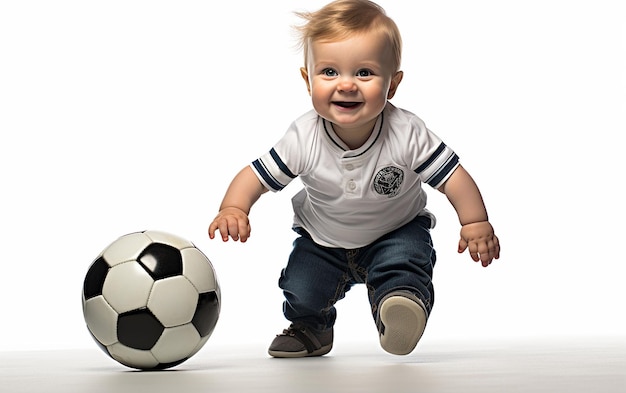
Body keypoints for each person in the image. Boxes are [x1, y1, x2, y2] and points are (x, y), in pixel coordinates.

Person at [208, 0, 500, 358]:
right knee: (302, 286)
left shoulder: (405, 132)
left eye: (364, 73)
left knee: (404, 262)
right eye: (329, 72)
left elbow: (453, 177)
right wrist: (234, 207)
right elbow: (255, 176)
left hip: (395, 230)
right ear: (307, 80)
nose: (346, 85)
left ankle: (401, 306)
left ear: (392, 85)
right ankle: (310, 328)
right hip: (323, 240)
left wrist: (475, 222)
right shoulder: (305, 136)